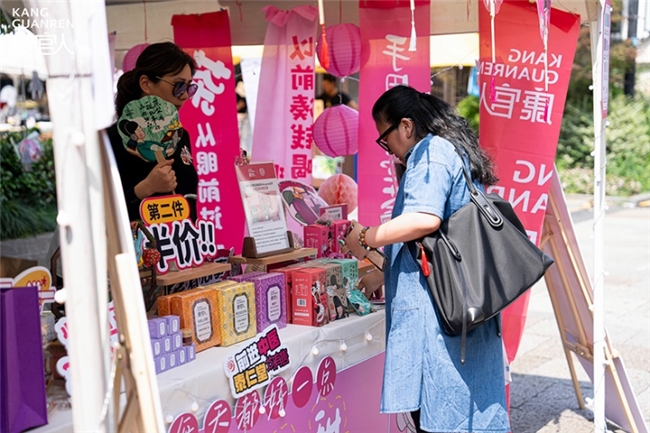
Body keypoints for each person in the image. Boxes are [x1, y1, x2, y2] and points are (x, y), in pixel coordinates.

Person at [342, 85, 510, 433]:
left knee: (442, 415)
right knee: (465, 412)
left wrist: (364, 235)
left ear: (406, 126)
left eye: (384, 138)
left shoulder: (431, 151)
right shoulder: (449, 150)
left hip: (441, 318)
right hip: (460, 306)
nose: (386, 148)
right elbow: (431, 242)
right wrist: (380, 271)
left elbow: (424, 219)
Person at [108, 42, 199, 221]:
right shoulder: (111, 139)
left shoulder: (180, 136)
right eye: (179, 85)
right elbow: (100, 211)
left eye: (189, 87)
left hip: (182, 243)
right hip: (136, 246)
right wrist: (145, 188)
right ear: (146, 83)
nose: (185, 95)